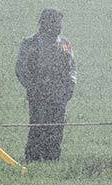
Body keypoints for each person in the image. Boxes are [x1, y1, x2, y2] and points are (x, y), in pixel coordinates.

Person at [15, 8, 76, 161]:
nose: (59, 26)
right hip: (38, 95)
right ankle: (33, 159)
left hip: (59, 95)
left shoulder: (65, 43)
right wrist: (32, 87)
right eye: (55, 22)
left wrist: (70, 87)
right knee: (37, 127)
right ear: (44, 23)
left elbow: (72, 68)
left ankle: (52, 159)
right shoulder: (30, 43)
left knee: (56, 128)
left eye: (60, 23)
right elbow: (21, 69)